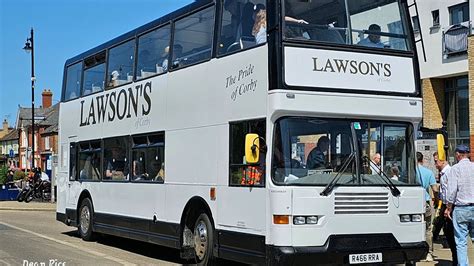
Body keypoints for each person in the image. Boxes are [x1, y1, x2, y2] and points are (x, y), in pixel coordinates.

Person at [444, 144, 474, 266]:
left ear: (457, 155)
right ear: (467, 154)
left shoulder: (455, 169)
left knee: (461, 242)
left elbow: (452, 191)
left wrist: (448, 207)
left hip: (461, 208)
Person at [430, 152, 457, 265]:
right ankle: (455, 257)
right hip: (445, 205)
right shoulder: (443, 173)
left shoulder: (449, 172)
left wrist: (448, 207)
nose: (435, 164)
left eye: (436, 161)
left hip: (450, 206)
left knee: (451, 233)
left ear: (443, 160)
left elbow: (452, 191)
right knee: (447, 231)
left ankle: (456, 258)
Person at [416, 151, 438, 262]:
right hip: (426, 201)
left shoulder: (409, 172)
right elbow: (434, 189)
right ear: (422, 160)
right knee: (428, 228)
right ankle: (428, 253)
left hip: (412, 202)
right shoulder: (428, 172)